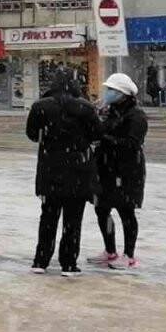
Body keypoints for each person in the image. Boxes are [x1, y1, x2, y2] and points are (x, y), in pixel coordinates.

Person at [26, 68, 103, 277]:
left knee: (48, 217)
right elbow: (97, 134)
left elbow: (32, 134)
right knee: (73, 219)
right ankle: (69, 263)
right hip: (78, 170)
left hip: (50, 170)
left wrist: (50, 139)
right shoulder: (85, 108)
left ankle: (40, 260)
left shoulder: (40, 106)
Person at [91, 73, 148, 270]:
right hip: (106, 169)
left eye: (113, 91)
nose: (108, 93)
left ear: (123, 94)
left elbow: (132, 144)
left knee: (126, 211)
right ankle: (110, 250)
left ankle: (129, 255)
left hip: (127, 171)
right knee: (102, 209)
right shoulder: (109, 111)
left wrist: (105, 138)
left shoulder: (136, 115)